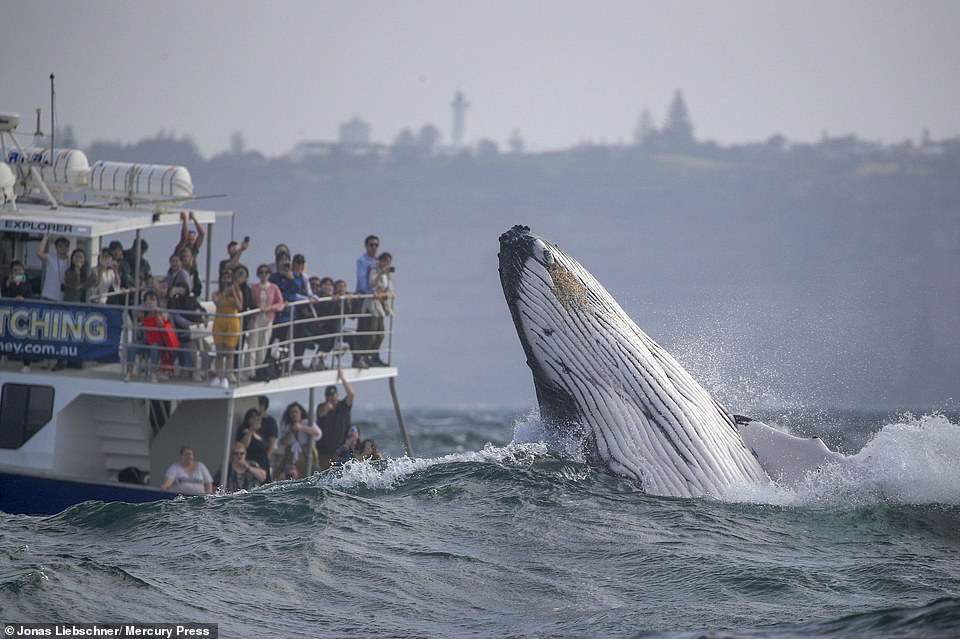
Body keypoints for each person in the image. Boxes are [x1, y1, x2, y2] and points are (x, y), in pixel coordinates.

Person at [124, 290, 178, 382]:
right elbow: (134, 313)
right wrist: (143, 308)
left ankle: (153, 374)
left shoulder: (162, 312)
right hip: (146, 340)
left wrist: (156, 313)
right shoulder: (144, 312)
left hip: (159, 341)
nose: (150, 302)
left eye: (153, 300)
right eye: (148, 300)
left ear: (157, 301)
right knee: (131, 347)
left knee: (154, 347)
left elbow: (161, 324)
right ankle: (129, 373)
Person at [315, 368, 355, 469]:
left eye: (333, 396)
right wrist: (326, 408)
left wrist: (342, 378)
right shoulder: (322, 407)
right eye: (329, 397)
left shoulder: (343, 406)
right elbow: (321, 413)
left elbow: (351, 395)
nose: (331, 399)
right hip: (325, 451)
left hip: (342, 449)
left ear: (337, 395)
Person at [249, 265, 285, 373]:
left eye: (266, 272)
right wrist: (257, 308)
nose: (263, 275)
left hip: (268, 318)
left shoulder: (274, 287)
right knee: (252, 344)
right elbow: (250, 302)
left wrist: (271, 308)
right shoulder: (254, 288)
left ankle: (259, 370)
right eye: (261, 272)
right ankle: (249, 370)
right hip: (256, 318)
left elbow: (280, 303)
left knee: (263, 344)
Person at [3, 260, 37, 372]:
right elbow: (4, 295)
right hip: (8, 315)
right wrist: (8, 284)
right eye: (15, 270)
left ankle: (27, 364)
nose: (17, 272)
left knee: (25, 340)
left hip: (23, 316)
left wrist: (22, 297)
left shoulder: (27, 283)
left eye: (19, 270)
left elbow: (29, 296)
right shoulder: (6, 282)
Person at [360, 252, 394, 367]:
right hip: (372, 304)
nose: (386, 263)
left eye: (388, 261)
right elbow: (372, 283)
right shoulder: (374, 270)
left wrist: (385, 294)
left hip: (382, 304)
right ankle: (364, 356)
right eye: (384, 260)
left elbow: (390, 290)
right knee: (372, 333)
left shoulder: (388, 275)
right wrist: (381, 273)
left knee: (381, 334)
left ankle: (374, 355)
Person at [166, 283, 205, 378]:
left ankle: (203, 371)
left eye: (182, 288)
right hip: (180, 332)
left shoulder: (191, 300)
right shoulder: (174, 301)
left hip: (193, 331)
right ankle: (191, 371)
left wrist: (200, 317)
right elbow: (171, 311)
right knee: (189, 346)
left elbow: (202, 310)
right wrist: (171, 296)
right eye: (178, 289)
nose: (180, 291)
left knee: (205, 348)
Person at [211, 273, 242, 388]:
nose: (226, 280)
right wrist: (224, 293)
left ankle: (227, 376)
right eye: (224, 277)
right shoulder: (216, 293)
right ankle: (218, 375)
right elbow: (218, 303)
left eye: (229, 278)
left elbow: (239, 307)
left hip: (232, 323)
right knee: (219, 352)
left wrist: (233, 292)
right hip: (219, 322)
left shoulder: (237, 293)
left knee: (229, 352)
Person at [277, 401, 322, 479]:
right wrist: (290, 432)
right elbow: (282, 443)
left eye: (296, 412)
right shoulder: (287, 427)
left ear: (300, 412)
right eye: (292, 413)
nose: (294, 414)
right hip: (292, 458)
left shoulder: (307, 423)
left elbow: (318, 433)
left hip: (306, 455)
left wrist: (302, 428)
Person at [353, 235, 379, 367]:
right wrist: (369, 293)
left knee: (378, 331)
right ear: (366, 246)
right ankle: (360, 357)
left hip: (377, 299)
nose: (374, 247)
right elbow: (362, 279)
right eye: (371, 245)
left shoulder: (378, 261)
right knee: (366, 329)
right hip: (365, 297)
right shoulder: (362, 260)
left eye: (376, 245)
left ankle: (372, 355)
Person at [236, 407, 273, 482]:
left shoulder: (260, 434)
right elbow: (243, 446)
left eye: (258, 419)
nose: (257, 421)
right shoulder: (245, 432)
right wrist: (251, 429)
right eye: (253, 418)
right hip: (253, 464)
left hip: (264, 465)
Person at [37, 234, 70, 302]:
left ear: (68, 248)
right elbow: (39, 253)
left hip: (65, 298)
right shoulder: (51, 257)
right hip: (49, 296)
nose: (63, 248)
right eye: (60, 246)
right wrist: (46, 236)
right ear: (56, 247)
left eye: (66, 246)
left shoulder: (71, 261)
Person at [257, 396, 280, 477]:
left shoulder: (270, 422)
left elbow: (272, 443)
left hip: (263, 455)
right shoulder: (252, 419)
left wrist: (267, 459)